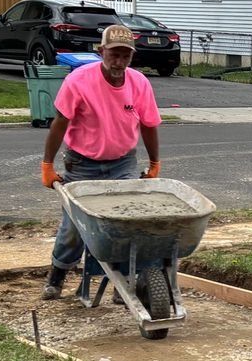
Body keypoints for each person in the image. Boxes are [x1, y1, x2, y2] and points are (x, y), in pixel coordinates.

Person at [39, 24, 162, 299]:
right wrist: (47, 165)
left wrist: (154, 163)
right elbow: (60, 123)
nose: (119, 62)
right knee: (75, 227)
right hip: (82, 164)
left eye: (125, 56)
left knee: (127, 221)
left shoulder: (139, 83)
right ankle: (57, 275)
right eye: (113, 55)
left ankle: (124, 282)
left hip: (123, 163)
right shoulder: (79, 81)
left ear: (132, 57)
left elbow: (149, 125)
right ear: (101, 51)